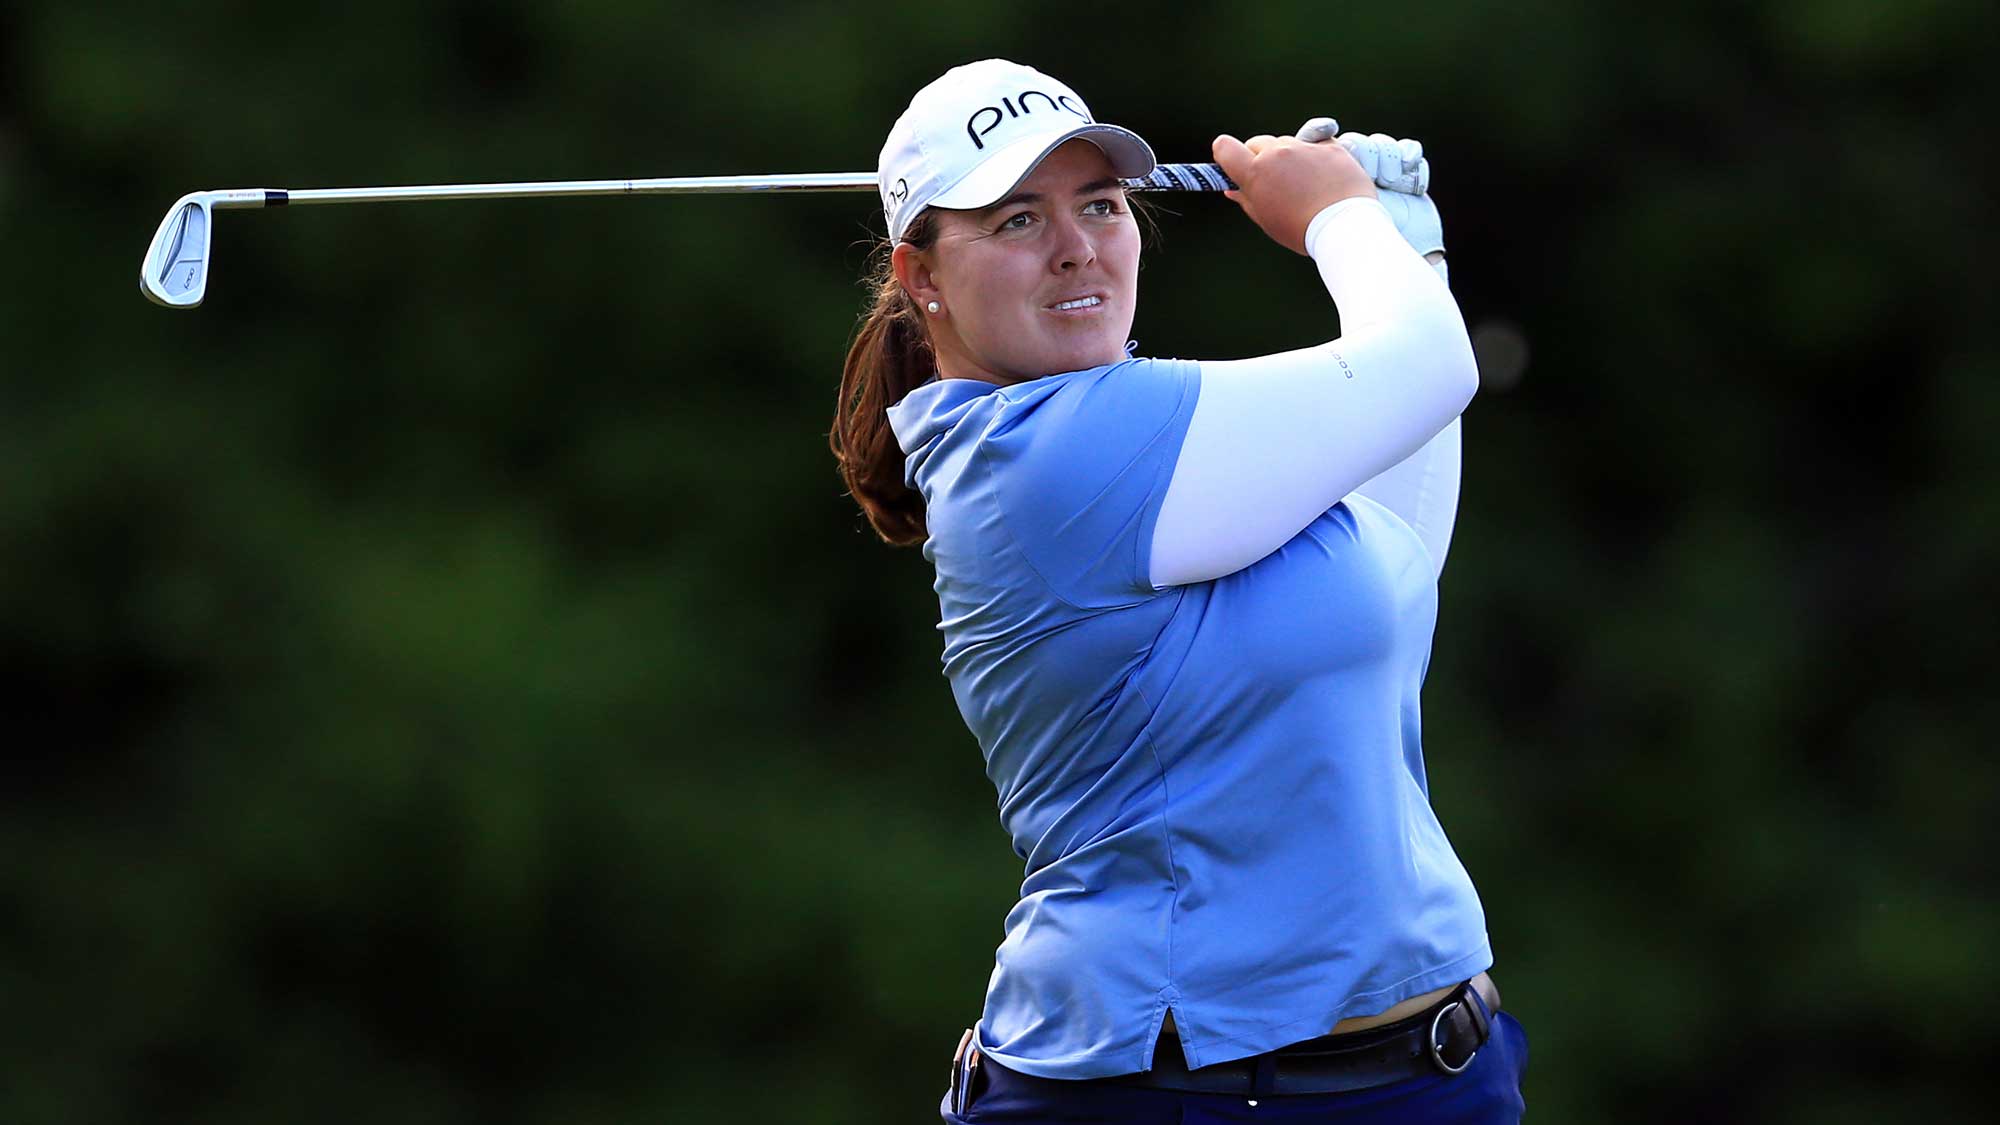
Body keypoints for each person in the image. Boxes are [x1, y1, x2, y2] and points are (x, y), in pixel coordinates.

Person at [829, 59, 1527, 1124]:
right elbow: (1424, 369)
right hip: (1162, 1090)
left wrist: (1405, 239)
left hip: (1426, 1076)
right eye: (1016, 220)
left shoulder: (1163, 452)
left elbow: (1394, 545)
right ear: (921, 276)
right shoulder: (1038, 453)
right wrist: (1342, 217)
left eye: (1098, 205)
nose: (1075, 245)